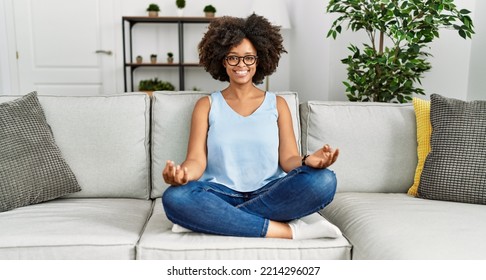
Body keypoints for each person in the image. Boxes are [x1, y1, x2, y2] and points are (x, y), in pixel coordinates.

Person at [162, 14, 340, 240]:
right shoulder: (206, 105)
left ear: (260, 60)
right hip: (219, 194)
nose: (241, 65)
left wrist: (308, 161)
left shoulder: (278, 104)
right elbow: (196, 160)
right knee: (176, 197)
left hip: (270, 192)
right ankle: (289, 231)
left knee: (324, 180)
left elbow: (288, 160)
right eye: (233, 58)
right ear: (222, 60)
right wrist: (182, 175)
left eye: (249, 58)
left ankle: (210, 220)